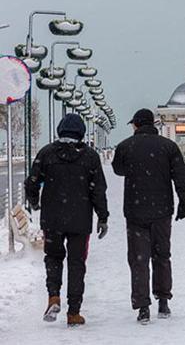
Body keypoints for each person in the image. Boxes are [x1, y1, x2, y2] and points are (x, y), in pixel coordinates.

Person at [25, 114, 109, 327]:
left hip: (52, 219)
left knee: (53, 258)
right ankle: (74, 312)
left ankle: (53, 296)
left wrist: (34, 202)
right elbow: (99, 189)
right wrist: (103, 216)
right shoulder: (90, 156)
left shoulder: (47, 153)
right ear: (81, 132)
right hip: (80, 220)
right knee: (77, 263)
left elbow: (32, 182)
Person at [112, 108, 185, 324]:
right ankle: (163, 301)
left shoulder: (125, 146)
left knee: (139, 259)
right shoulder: (169, 147)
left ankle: (143, 307)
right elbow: (181, 177)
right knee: (162, 255)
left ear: (136, 125)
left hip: (135, 211)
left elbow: (118, 170)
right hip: (162, 211)